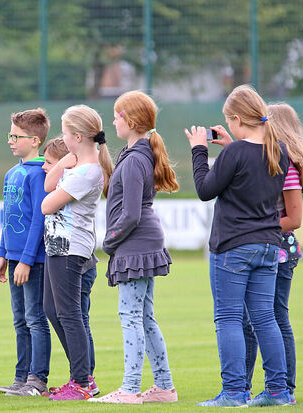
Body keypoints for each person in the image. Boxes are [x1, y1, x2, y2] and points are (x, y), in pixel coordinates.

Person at [185, 85, 292, 407]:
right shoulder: (278, 149)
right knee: (265, 319)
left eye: (228, 121)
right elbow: (251, 171)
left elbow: (205, 190)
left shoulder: (235, 153)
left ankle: (234, 392)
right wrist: (231, 145)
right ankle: (278, 391)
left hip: (233, 247)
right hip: (269, 245)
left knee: (229, 318)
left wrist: (199, 150)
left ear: (235, 118)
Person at [92, 91, 179, 405]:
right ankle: (164, 387)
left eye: (116, 115)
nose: (113, 120)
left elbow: (130, 214)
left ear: (130, 120)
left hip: (135, 244)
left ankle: (130, 389)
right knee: (144, 316)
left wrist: (109, 241)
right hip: (144, 242)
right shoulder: (137, 155)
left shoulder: (134, 160)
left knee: (130, 316)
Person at [240, 103, 303, 405]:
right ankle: (245, 387)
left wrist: (256, 228)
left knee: (273, 318)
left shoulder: (288, 168)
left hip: (279, 250)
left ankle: (284, 388)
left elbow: (294, 219)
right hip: (271, 246)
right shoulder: (275, 161)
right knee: (255, 318)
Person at [40, 105, 113, 401]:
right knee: (51, 310)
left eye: (66, 133)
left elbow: (47, 204)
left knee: (70, 314)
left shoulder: (88, 172)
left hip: (70, 248)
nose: (63, 138)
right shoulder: (77, 165)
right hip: (58, 246)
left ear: (78, 136)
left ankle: (82, 381)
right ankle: (81, 376)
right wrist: (65, 160)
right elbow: (48, 184)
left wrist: (71, 163)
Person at [0, 108, 52, 397]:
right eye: (9, 135)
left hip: (33, 260)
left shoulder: (38, 174)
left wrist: (26, 260)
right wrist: (4, 254)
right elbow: (8, 218)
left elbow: (40, 218)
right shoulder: (12, 173)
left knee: (35, 318)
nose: (11, 141)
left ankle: (37, 380)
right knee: (20, 320)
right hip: (14, 257)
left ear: (36, 140)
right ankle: (20, 379)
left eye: (16, 136)